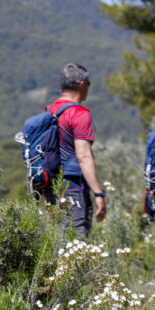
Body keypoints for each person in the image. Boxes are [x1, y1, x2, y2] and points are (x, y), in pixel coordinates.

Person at [44, 63, 107, 236]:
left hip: (52, 187)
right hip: (74, 187)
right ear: (82, 84)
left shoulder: (50, 111)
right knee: (77, 240)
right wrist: (98, 193)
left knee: (58, 240)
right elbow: (84, 156)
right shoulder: (79, 114)